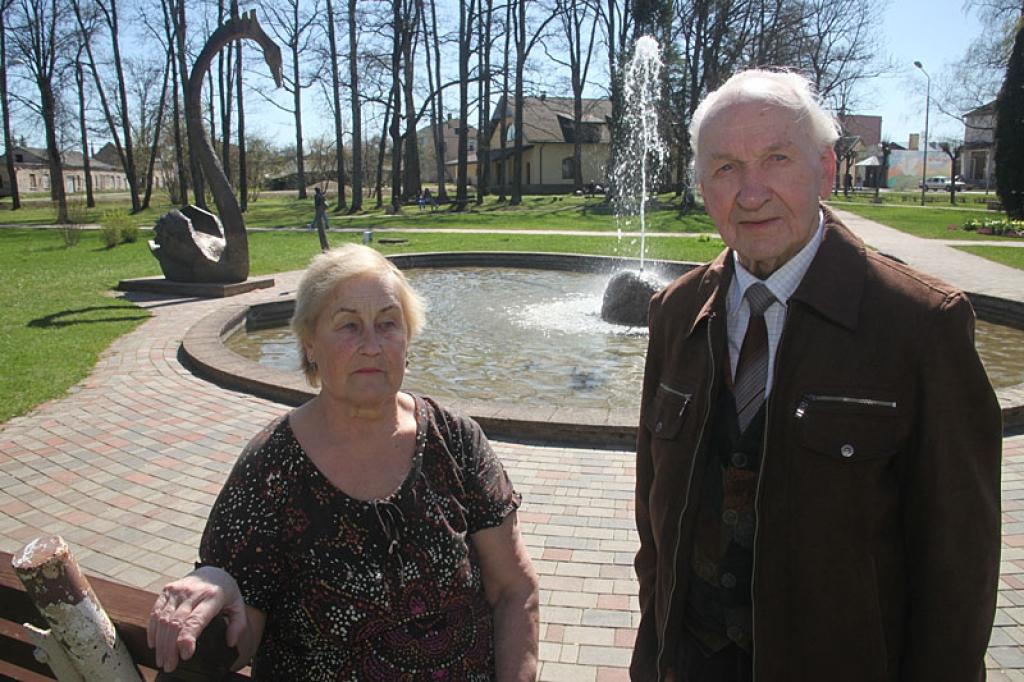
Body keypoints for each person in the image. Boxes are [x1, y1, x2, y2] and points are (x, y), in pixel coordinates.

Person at [631, 69, 1001, 682]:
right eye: (724, 167)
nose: (751, 194)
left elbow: (956, 573)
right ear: (701, 183)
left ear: (825, 169)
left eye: (776, 159)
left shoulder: (919, 325)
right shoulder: (674, 314)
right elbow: (654, 523)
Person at [149, 244, 540, 680]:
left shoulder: (457, 441)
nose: (372, 346)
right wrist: (219, 587)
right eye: (349, 326)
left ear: (407, 340)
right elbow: (240, 636)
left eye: (388, 324)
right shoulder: (271, 467)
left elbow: (514, 590)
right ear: (310, 344)